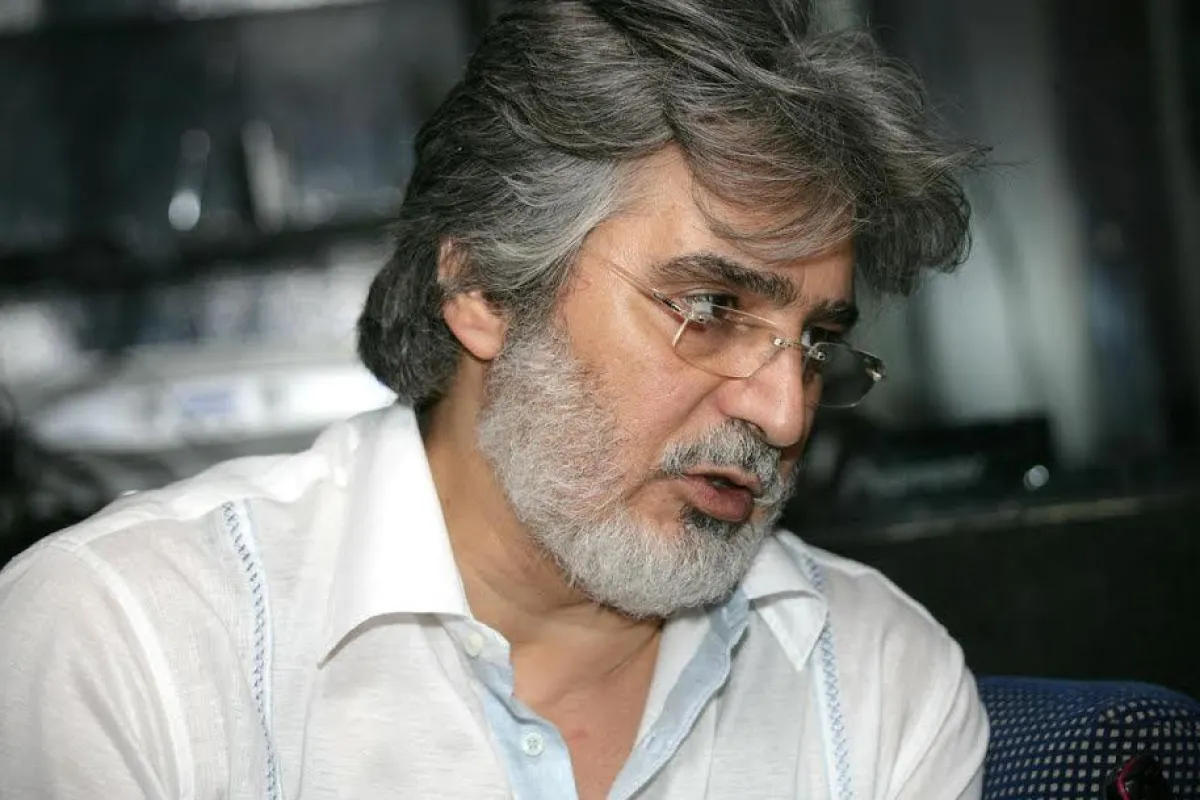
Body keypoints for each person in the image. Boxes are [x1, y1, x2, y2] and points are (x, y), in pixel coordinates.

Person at [0, 1, 989, 798]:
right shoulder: (131, 641)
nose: (784, 413)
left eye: (816, 344)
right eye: (710, 307)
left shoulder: (879, 681)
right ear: (481, 289)